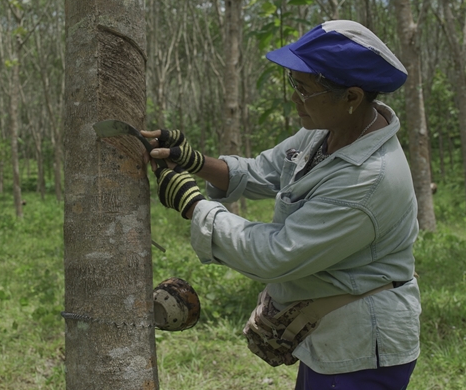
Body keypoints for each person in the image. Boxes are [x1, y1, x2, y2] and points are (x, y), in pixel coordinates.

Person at [142, 20, 421, 390]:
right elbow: (264, 170)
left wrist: (192, 204)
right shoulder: (326, 131)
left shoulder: (370, 178)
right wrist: (195, 162)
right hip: (325, 333)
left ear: (352, 97)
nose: (294, 98)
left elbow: (277, 254)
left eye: (303, 89)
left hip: (360, 348)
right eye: (293, 84)